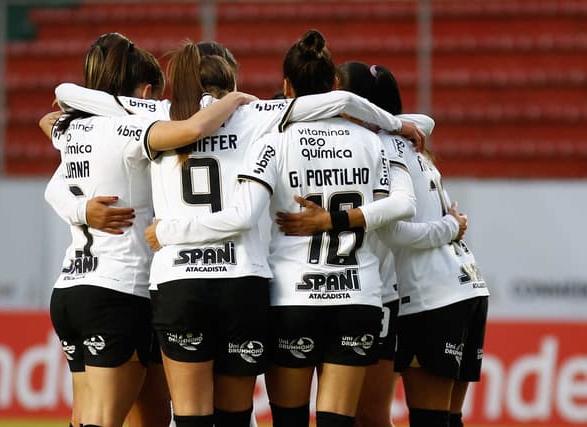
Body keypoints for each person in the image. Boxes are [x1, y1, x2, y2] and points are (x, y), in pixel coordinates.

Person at [50, 36, 424, 427]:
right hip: (242, 281)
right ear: (232, 80)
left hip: (179, 282)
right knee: (236, 418)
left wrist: (63, 132)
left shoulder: (159, 116)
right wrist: (397, 124)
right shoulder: (256, 113)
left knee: (190, 416)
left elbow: (70, 94)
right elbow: (342, 102)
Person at [39, 32, 256, 427]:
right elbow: (192, 130)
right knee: (102, 419)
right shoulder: (131, 129)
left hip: (73, 286)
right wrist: (235, 99)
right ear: (145, 90)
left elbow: (54, 182)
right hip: (121, 288)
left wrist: (81, 209)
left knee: (144, 415)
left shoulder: (73, 129)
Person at [275, 64, 488, 427]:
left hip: (426, 297)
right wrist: (452, 225)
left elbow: (395, 231)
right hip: (463, 288)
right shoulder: (406, 141)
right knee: (441, 419)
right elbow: (423, 123)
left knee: (384, 417)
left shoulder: (383, 146)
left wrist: (332, 220)